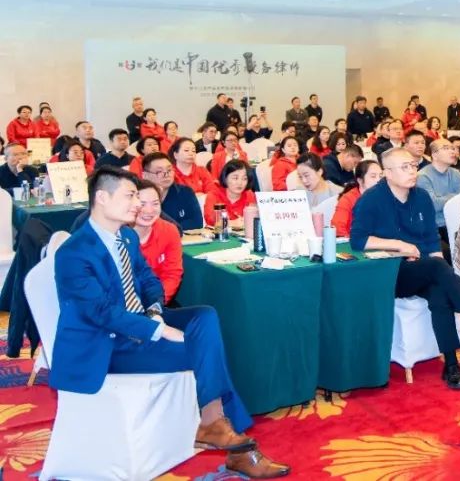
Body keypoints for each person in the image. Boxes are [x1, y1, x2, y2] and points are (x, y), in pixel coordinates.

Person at [52, 166, 289, 477]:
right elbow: (101, 313)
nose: (137, 204)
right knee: (201, 351)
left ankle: (214, 424)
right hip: (106, 346)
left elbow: (148, 279)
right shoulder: (74, 252)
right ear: (102, 198)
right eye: (130, 196)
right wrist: (158, 329)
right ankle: (233, 444)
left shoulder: (125, 236)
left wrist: (153, 311)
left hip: (138, 323)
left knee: (204, 317)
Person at [350, 148, 460, 390]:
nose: (411, 171)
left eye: (413, 165)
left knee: (440, 290)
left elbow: (431, 241)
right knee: (437, 269)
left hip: (423, 268)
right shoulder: (371, 199)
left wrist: (440, 272)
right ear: (388, 173)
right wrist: (399, 245)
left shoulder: (421, 197)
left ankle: (451, 364)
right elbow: (358, 240)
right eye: (404, 167)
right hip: (390, 273)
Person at [131, 179, 184, 303]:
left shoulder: (169, 230)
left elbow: (172, 274)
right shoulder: (118, 234)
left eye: (155, 203)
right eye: (142, 204)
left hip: (158, 300)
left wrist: (156, 303)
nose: (149, 211)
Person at [417, 139, 460, 258]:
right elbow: (433, 205)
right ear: (434, 155)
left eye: (452, 148)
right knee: (449, 254)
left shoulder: (456, 173)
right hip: (435, 226)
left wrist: (443, 198)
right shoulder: (423, 176)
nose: (452, 151)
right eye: (446, 148)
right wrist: (454, 196)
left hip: (457, 222)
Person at [143, 153, 203, 231]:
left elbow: (197, 222)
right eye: (159, 171)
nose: (166, 175)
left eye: (169, 170)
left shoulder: (185, 192)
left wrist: (168, 229)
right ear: (145, 175)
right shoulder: (139, 196)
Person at [204, 159, 257, 228]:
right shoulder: (214, 195)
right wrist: (232, 223)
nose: (240, 183)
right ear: (225, 178)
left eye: (244, 179)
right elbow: (211, 221)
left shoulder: (249, 194)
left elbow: (255, 217)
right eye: (235, 178)